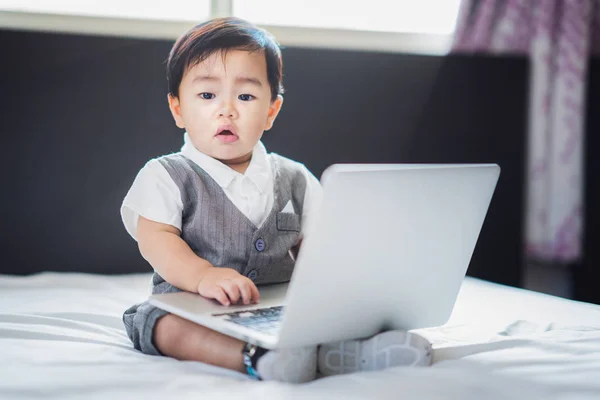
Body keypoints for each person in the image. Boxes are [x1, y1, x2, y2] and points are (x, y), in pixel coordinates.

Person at [120, 17, 432, 383]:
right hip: (193, 305)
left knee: (332, 311)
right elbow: (156, 240)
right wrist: (202, 276)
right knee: (161, 326)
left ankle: (348, 351)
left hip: (280, 309)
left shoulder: (295, 178)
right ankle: (257, 358)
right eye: (207, 95)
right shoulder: (167, 175)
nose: (227, 110)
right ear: (178, 109)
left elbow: (319, 249)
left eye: (246, 96)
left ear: (271, 111)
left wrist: (350, 292)